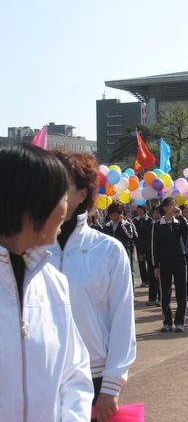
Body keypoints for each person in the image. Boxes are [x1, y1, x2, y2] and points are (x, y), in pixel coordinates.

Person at [0, 144, 93, 421]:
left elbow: (74, 373)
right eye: (61, 195)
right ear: (30, 200)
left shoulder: (52, 281)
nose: (66, 209)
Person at [48, 148, 136, 421]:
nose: (50, 191)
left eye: (60, 184)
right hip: (42, 374)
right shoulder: (29, 248)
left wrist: (111, 386)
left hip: (93, 375)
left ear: (82, 194)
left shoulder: (107, 250)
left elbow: (122, 320)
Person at [151, 197, 188, 332]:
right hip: (164, 263)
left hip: (180, 261)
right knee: (165, 292)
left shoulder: (179, 222)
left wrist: (181, 217)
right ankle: (167, 322)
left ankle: (180, 322)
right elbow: (154, 247)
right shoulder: (157, 225)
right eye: (171, 205)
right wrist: (155, 266)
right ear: (164, 208)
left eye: (175, 205)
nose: (174, 207)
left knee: (181, 292)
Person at [103, 202, 138, 284]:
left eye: (115, 215)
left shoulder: (127, 224)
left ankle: (131, 292)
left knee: (128, 272)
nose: (113, 217)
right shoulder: (107, 226)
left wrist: (121, 224)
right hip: (112, 254)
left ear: (120, 214)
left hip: (126, 252)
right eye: (111, 215)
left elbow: (130, 236)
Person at [133, 205, 153, 287]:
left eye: (141, 209)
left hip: (148, 244)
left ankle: (150, 279)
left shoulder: (149, 220)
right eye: (138, 209)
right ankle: (144, 280)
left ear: (144, 210)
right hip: (139, 244)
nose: (140, 211)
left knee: (149, 261)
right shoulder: (135, 221)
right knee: (141, 263)